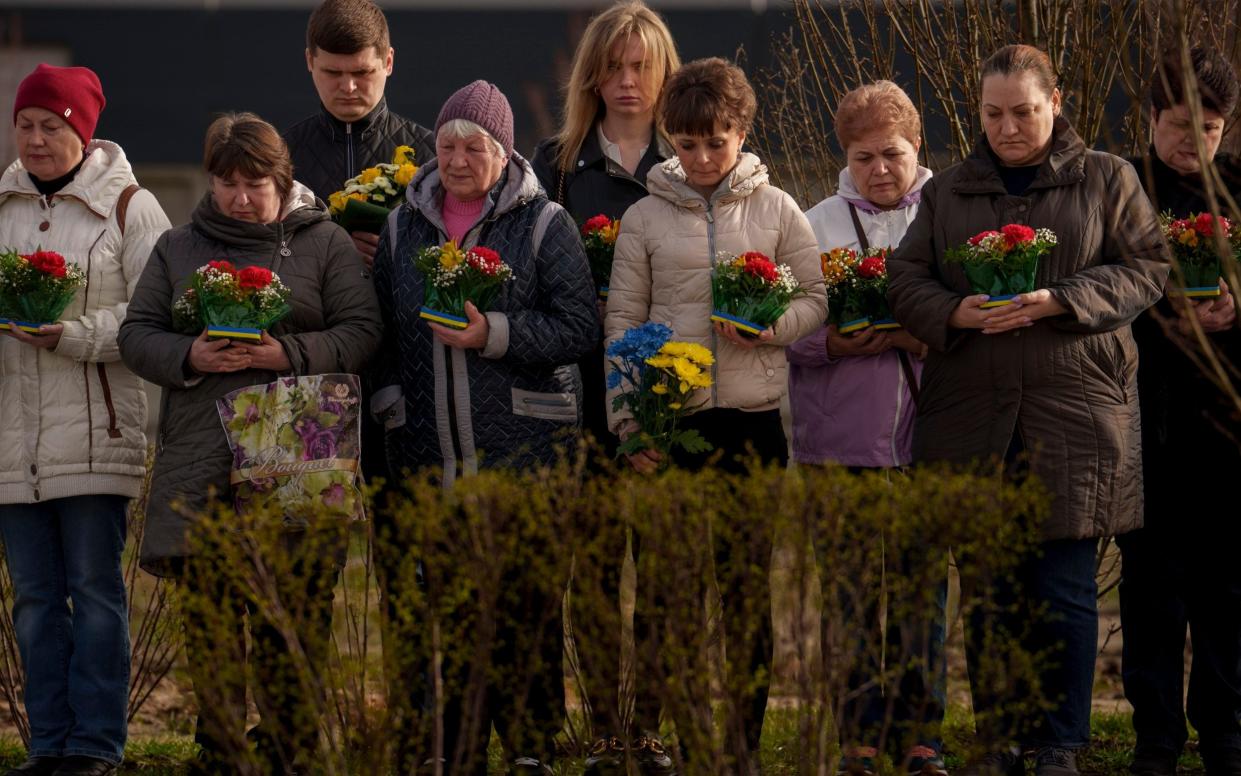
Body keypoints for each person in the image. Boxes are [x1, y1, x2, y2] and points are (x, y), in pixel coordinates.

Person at [887, 44, 1169, 776]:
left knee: (1065, 589)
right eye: (992, 114)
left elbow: (1147, 268)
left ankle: (1059, 742)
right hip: (969, 416)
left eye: (1023, 112)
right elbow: (904, 278)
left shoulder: (1107, 177)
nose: (1007, 127)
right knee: (987, 589)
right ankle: (1001, 738)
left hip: (1071, 415)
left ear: (1055, 102)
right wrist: (957, 313)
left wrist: (1061, 299)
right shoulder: (947, 191)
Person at [118, 112, 381, 775]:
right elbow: (136, 334)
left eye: (254, 182)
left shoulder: (322, 244)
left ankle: (291, 744)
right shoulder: (179, 247)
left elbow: (362, 329)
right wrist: (190, 355)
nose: (240, 196)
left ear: (281, 180)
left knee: (291, 608)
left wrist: (284, 350)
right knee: (209, 608)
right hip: (200, 453)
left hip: (297, 449)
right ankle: (221, 746)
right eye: (228, 182)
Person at [605, 57, 826, 775]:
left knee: (742, 591)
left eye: (716, 142)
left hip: (752, 426)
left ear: (742, 132)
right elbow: (620, 323)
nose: (700, 159)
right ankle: (647, 738)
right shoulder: (641, 216)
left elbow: (815, 300)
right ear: (668, 137)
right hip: (669, 425)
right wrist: (628, 423)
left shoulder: (778, 209)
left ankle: (740, 748)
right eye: (686, 143)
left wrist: (771, 330)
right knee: (667, 590)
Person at [371, 80, 597, 775]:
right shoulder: (402, 225)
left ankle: (529, 748)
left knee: (526, 612)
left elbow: (579, 326)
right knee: (449, 613)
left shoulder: (543, 223)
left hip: (525, 452)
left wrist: (492, 332)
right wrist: (389, 406)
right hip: (428, 454)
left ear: (504, 152)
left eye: (477, 146)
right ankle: (457, 749)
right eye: (448, 145)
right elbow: (379, 331)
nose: (460, 158)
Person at [0, 63, 169, 776]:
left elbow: (156, 314)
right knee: (35, 602)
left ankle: (96, 745)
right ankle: (48, 745)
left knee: (95, 595)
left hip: (96, 435)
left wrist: (73, 333)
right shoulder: (0, 207)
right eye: (26, 124)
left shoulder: (131, 206)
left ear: (83, 133)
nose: (36, 140)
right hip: (13, 443)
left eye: (53, 126)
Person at [528, 2, 680, 770]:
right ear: (591, 73)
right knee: (586, 570)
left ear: (663, 73)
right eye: (612, 66)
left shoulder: (686, 165)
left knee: (657, 568)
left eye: (640, 67)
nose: (625, 82)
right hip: (572, 395)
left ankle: (644, 730)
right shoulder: (553, 163)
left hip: (661, 395)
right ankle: (599, 729)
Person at [789, 80, 945, 776]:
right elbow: (781, 326)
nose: (879, 169)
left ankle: (921, 734)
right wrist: (829, 343)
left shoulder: (945, 215)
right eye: (862, 157)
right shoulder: (812, 224)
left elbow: (977, 314)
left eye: (892, 153)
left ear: (918, 148)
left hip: (925, 443)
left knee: (919, 600)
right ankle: (858, 734)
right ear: (843, 157)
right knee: (850, 600)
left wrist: (928, 336)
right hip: (837, 444)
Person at [1120, 45, 1241, 776]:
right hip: (1144, 419)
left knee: (1228, 588)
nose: (1192, 144)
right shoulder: (1121, 187)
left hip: (1227, 424)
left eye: (1212, 128)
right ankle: (1155, 736)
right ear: (1150, 117)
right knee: (1149, 589)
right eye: (1177, 126)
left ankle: (1225, 733)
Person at [284, 0, 435, 266]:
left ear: (388, 62)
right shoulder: (280, 157)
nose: (348, 86)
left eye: (361, 72)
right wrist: (330, 249)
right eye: (332, 72)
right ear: (309, 60)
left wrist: (399, 253)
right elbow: (259, 246)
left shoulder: (434, 155)